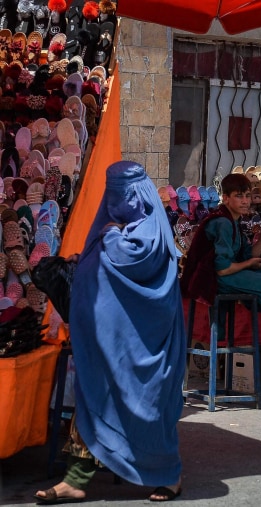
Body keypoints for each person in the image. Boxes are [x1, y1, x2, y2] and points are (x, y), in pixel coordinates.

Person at [35, 161, 185, 503]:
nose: (115, 200)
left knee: (148, 409)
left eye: (122, 193)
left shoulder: (148, 232)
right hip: (105, 341)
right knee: (93, 401)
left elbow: (137, 262)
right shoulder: (108, 228)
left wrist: (113, 236)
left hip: (146, 343)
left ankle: (168, 476)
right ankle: (75, 478)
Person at [181, 173, 261, 382]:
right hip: (218, 280)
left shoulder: (234, 222)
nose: (246, 200)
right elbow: (223, 269)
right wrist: (248, 264)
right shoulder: (222, 222)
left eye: (248, 195)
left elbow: (251, 255)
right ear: (226, 198)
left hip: (232, 275)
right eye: (239, 196)